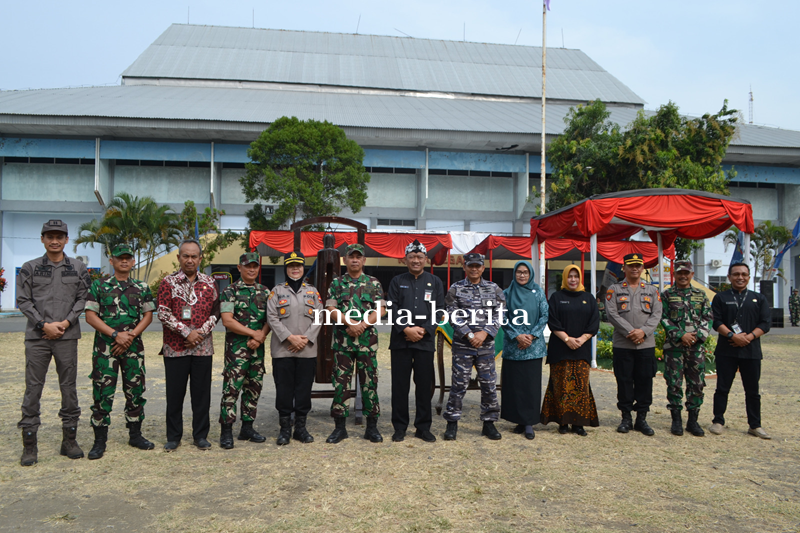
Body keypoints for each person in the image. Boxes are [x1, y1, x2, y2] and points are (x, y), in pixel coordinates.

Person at [16, 219, 90, 466]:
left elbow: (83, 299)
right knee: (33, 388)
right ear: (42, 239)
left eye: (59, 237)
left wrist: (65, 324)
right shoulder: (30, 268)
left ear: (67, 240)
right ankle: (29, 445)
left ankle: (69, 440)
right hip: (37, 338)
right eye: (50, 236)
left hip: (66, 337)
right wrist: (43, 325)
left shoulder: (78, 267)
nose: (55, 241)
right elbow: (23, 300)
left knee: (68, 388)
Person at [84, 244, 156, 460]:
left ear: (133, 262)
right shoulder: (99, 285)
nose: (124, 261)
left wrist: (130, 336)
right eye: (119, 258)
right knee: (102, 392)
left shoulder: (142, 287)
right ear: (112, 261)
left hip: (133, 348)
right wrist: (116, 335)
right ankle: (99, 441)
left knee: (135, 390)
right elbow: (90, 316)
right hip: (105, 349)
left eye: (127, 258)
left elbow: (148, 315)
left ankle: (135, 435)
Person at [157, 239, 220, 451]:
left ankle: (200, 436)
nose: (190, 260)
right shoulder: (168, 282)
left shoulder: (210, 283)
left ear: (200, 259)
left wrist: (199, 334)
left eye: (194, 256)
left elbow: (216, 311)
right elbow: (163, 312)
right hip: (175, 348)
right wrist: (187, 332)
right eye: (186, 256)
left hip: (203, 348)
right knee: (175, 395)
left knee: (201, 395)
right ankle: (173, 437)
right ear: (179, 258)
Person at [324, 243, 386, 444]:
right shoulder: (336, 283)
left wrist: (362, 325)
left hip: (367, 343)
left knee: (369, 384)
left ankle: (372, 428)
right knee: (341, 384)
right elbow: (331, 308)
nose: (355, 260)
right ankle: (340, 428)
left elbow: (381, 309)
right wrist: (350, 323)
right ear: (345, 260)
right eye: (351, 257)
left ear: (364, 260)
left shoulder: (373, 283)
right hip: (343, 343)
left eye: (358, 257)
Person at [386, 239, 446, 443]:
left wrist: (424, 329)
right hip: (401, 341)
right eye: (412, 257)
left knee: (424, 386)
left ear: (426, 259)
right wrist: (406, 329)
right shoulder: (397, 281)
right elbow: (392, 307)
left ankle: (423, 427)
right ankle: (399, 427)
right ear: (405, 259)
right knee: (400, 386)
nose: (416, 260)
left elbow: (439, 310)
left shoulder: (435, 281)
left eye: (420, 257)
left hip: (424, 341)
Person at [442, 253, 506, 441]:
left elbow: (500, 313)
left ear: (483, 268)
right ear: (465, 267)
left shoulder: (494, 289)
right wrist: (470, 335)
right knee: (458, 384)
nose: (474, 269)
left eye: (478, 266)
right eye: (471, 266)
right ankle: (452, 422)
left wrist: (484, 333)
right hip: (463, 345)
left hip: (486, 346)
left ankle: (489, 423)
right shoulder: (456, 289)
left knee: (488, 384)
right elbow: (452, 314)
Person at [709, 262, 772, 439]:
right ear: (729, 277)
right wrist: (732, 335)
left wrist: (748, 337)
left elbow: (765, 323)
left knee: (752, 391)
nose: (740, 277)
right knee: (722, 388)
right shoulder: (720, 297)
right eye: (736, 274)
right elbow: (716, 321)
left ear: (749, 277)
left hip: (751, 351)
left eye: (744, 274)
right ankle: (718, 421)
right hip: (726, 350)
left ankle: (755, 425)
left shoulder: (759, 298)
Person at [267, 251, 323, 445]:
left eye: (298, 266)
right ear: (286, 268)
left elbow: (319, 316)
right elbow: (272, 317)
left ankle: (300, 428)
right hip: (283, 349)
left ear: (303, 268)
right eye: (291, 266)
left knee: (303, 390)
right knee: (283, 389)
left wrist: (305, 339)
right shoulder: (276, 291)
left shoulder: (312, 292)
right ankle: (284, 430)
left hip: (306, 350)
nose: (295, 269)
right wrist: (290, 338)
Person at [217, 252, 271, 449]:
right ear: (239, 268)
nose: (251, 269)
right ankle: (226, 431)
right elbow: (227, 320)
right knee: (231, 390)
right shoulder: (229, 291)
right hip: (236, 351)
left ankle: (247, 428)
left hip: (257, 350)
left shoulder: (265, 292)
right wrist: (253, 334)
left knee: (253, 388)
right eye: (248, 266)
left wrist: (261, 335)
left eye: (255, 266)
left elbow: (270, 319)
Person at [605, 253, 662, 436]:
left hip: (645, 345)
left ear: (643, 268)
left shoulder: (652, 290)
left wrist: (643, 332)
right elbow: (611, 313)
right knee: (624, 381)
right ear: (624, 268)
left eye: (638, 265)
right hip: (623, 344)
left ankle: (641, 419)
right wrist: (632, 332)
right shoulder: (614, 289)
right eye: (631, 265)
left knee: (645, 381)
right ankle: (626, 418)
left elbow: (657, 314)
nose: (635, 268)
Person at [540, 264, 600, 436]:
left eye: (576, 276)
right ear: (565, 278)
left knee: (581, 386)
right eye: (570, 276)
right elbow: (553, 321)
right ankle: (563, 422)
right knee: (561, 386)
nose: (573, 279)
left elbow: (594, 322)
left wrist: (581, 339)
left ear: (580, 278)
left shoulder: (589, 298)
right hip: (560, 349)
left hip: (581, 349)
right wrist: (567, 339)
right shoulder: (556, 297)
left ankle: (579, 424)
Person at [659, 260, 712, 437]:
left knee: (696, 384)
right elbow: (663, 317)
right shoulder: (667, 295)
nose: (683, 276)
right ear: (674, 274)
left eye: (686, 273)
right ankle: (676, 420)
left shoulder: (701, 295)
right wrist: (680, 334)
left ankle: (693, 420)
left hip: (695, 347)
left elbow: (708, 317)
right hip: (674, 347)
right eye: (679, 273)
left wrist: (697, 336)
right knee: (674, 383)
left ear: (692, 274)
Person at [500, 261, 548, 440]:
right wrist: (517, 336)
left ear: (531, 274)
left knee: (530, 386)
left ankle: (528, 422)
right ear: (514, 274)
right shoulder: (506, 294)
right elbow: (502, 317)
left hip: (533, 349)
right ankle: (518, 420)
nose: (522, 275)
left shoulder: (538, 292)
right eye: (519, 272)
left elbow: (544, 316)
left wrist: (531, 336)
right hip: (513, 347)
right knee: (514, 386)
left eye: (525, 272)